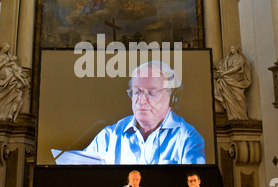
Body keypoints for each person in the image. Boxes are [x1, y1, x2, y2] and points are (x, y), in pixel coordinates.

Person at [56, 61, 205, 164]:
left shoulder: (188, 138)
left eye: (151, 93)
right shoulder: (110, 136)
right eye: (136, 92)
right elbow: (82, 174)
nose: (141, 100)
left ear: (172, 96)